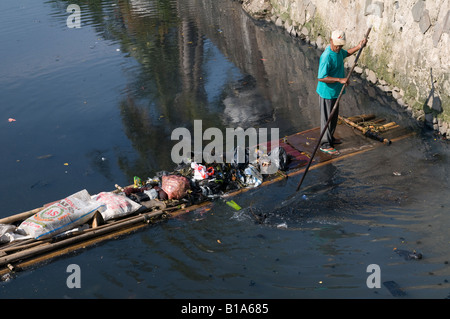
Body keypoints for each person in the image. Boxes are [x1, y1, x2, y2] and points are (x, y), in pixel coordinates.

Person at [316, 30, 367, 155]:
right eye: (336, 44)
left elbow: (346, 53)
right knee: (327, 119)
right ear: (330, 40)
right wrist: (340, 80)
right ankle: (325, 144)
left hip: (336, 92)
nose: (338, 47)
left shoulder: (338, 51)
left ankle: (330, 137)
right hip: (326, 93)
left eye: (340, 45)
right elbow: (321, 77)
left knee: (333, 117)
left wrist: (359, 46)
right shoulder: (327, 56)